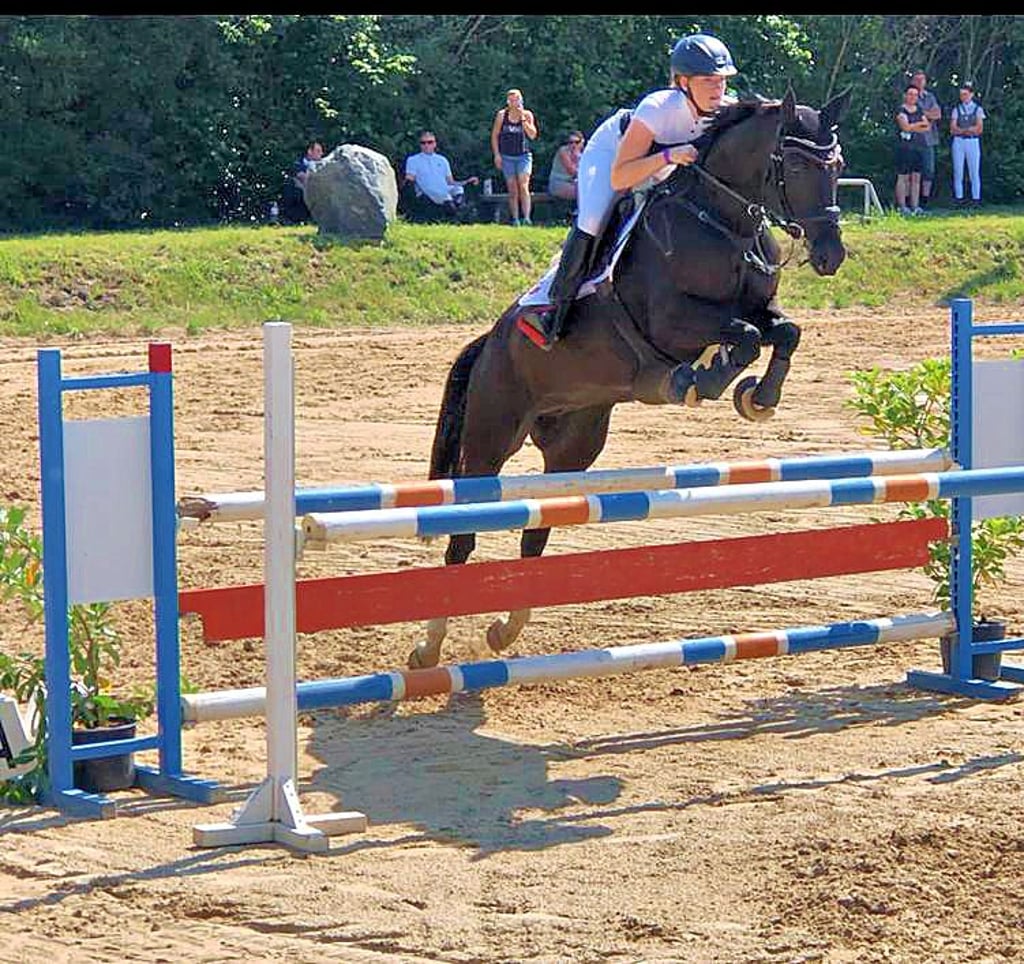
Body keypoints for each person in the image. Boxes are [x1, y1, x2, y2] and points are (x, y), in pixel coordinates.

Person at [521, 32, 737, 349]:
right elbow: (622, 177)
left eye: (722, 80)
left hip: (666, 165)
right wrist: (667, 155)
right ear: (683, 82)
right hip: (612, 155)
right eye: (708, 80)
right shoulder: (658, 108)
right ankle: (553, 306)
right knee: (594, 219)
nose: (718, 88)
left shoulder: (727, 110)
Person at [403, 131, 479, 221]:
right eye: (423, 143)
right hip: (428, 191)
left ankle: (459, 212)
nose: (426, 145)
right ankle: (459, 215)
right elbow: (409, 180)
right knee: (445, 197)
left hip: (445, 188)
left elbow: (450, 181)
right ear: (420, 145)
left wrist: (466, 181)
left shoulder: (442, 160)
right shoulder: (413, 160)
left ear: (435, 144)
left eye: (430, 142)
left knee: (458, 190)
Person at [490, 88, 538, 225]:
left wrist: (523, 120)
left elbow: (533, 135)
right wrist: (497, 155)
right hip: (507, 156)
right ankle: (515, 219)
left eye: (516, 99)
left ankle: (527, 218)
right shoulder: (502, 115)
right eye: (511, 100)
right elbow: (495, 135)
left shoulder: (527, 115)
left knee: (523, 185)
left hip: (523, 156)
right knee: (512, 188)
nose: (514, 103)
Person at [895, 85, 930, 216]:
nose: (912, 97)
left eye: (915, 95)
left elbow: (927, 126)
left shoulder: (919, 110)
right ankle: (902, 206)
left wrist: (912, 126)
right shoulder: (901, 110)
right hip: (904, 148)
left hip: (918, 147)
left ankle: (915, 206)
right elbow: (905, 127)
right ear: (905, 95)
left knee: (916, 177)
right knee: (903, 177)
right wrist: (916, 125)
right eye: (910, 94)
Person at [950, 81, 986, 208]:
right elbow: (953, 128)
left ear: (971, 94)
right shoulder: (956, 109)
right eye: (961, 95)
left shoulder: (978, 109)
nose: (963, 97)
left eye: (965, 94)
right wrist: (967, 129)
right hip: (959, 141)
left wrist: (965, 130)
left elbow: (979, 128)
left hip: (972, 141)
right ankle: (958, 199)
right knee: (958, 170)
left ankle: (976, 199)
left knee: (974, 171)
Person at [910, 70, 941, 208]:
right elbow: (914, 113)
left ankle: (924, 201)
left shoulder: (930, 97)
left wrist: (924, 114)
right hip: (913, 139)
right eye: (917, 80)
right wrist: (927, 114)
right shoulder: (910, 96)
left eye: (922, 80)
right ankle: (910, 201)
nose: (919, 83)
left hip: (929, 139)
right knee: (911, 172)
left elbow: (937, 114)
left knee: (929, 171)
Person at [281, 139, 324, 223]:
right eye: (318, 151)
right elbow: (303, 177)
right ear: (309, 151)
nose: (321, 154)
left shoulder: (323, 165)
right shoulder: (298, 164)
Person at [547, 130, 585, 201]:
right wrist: (576, 156)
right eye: (571, 142)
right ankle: (578, 211)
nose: (573, 145)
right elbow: (572, 171)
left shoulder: (585, 153)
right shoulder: (563, 151)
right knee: (582, 192)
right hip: (559, 183)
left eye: (577, 142)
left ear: (582, 142)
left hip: (573, 183)